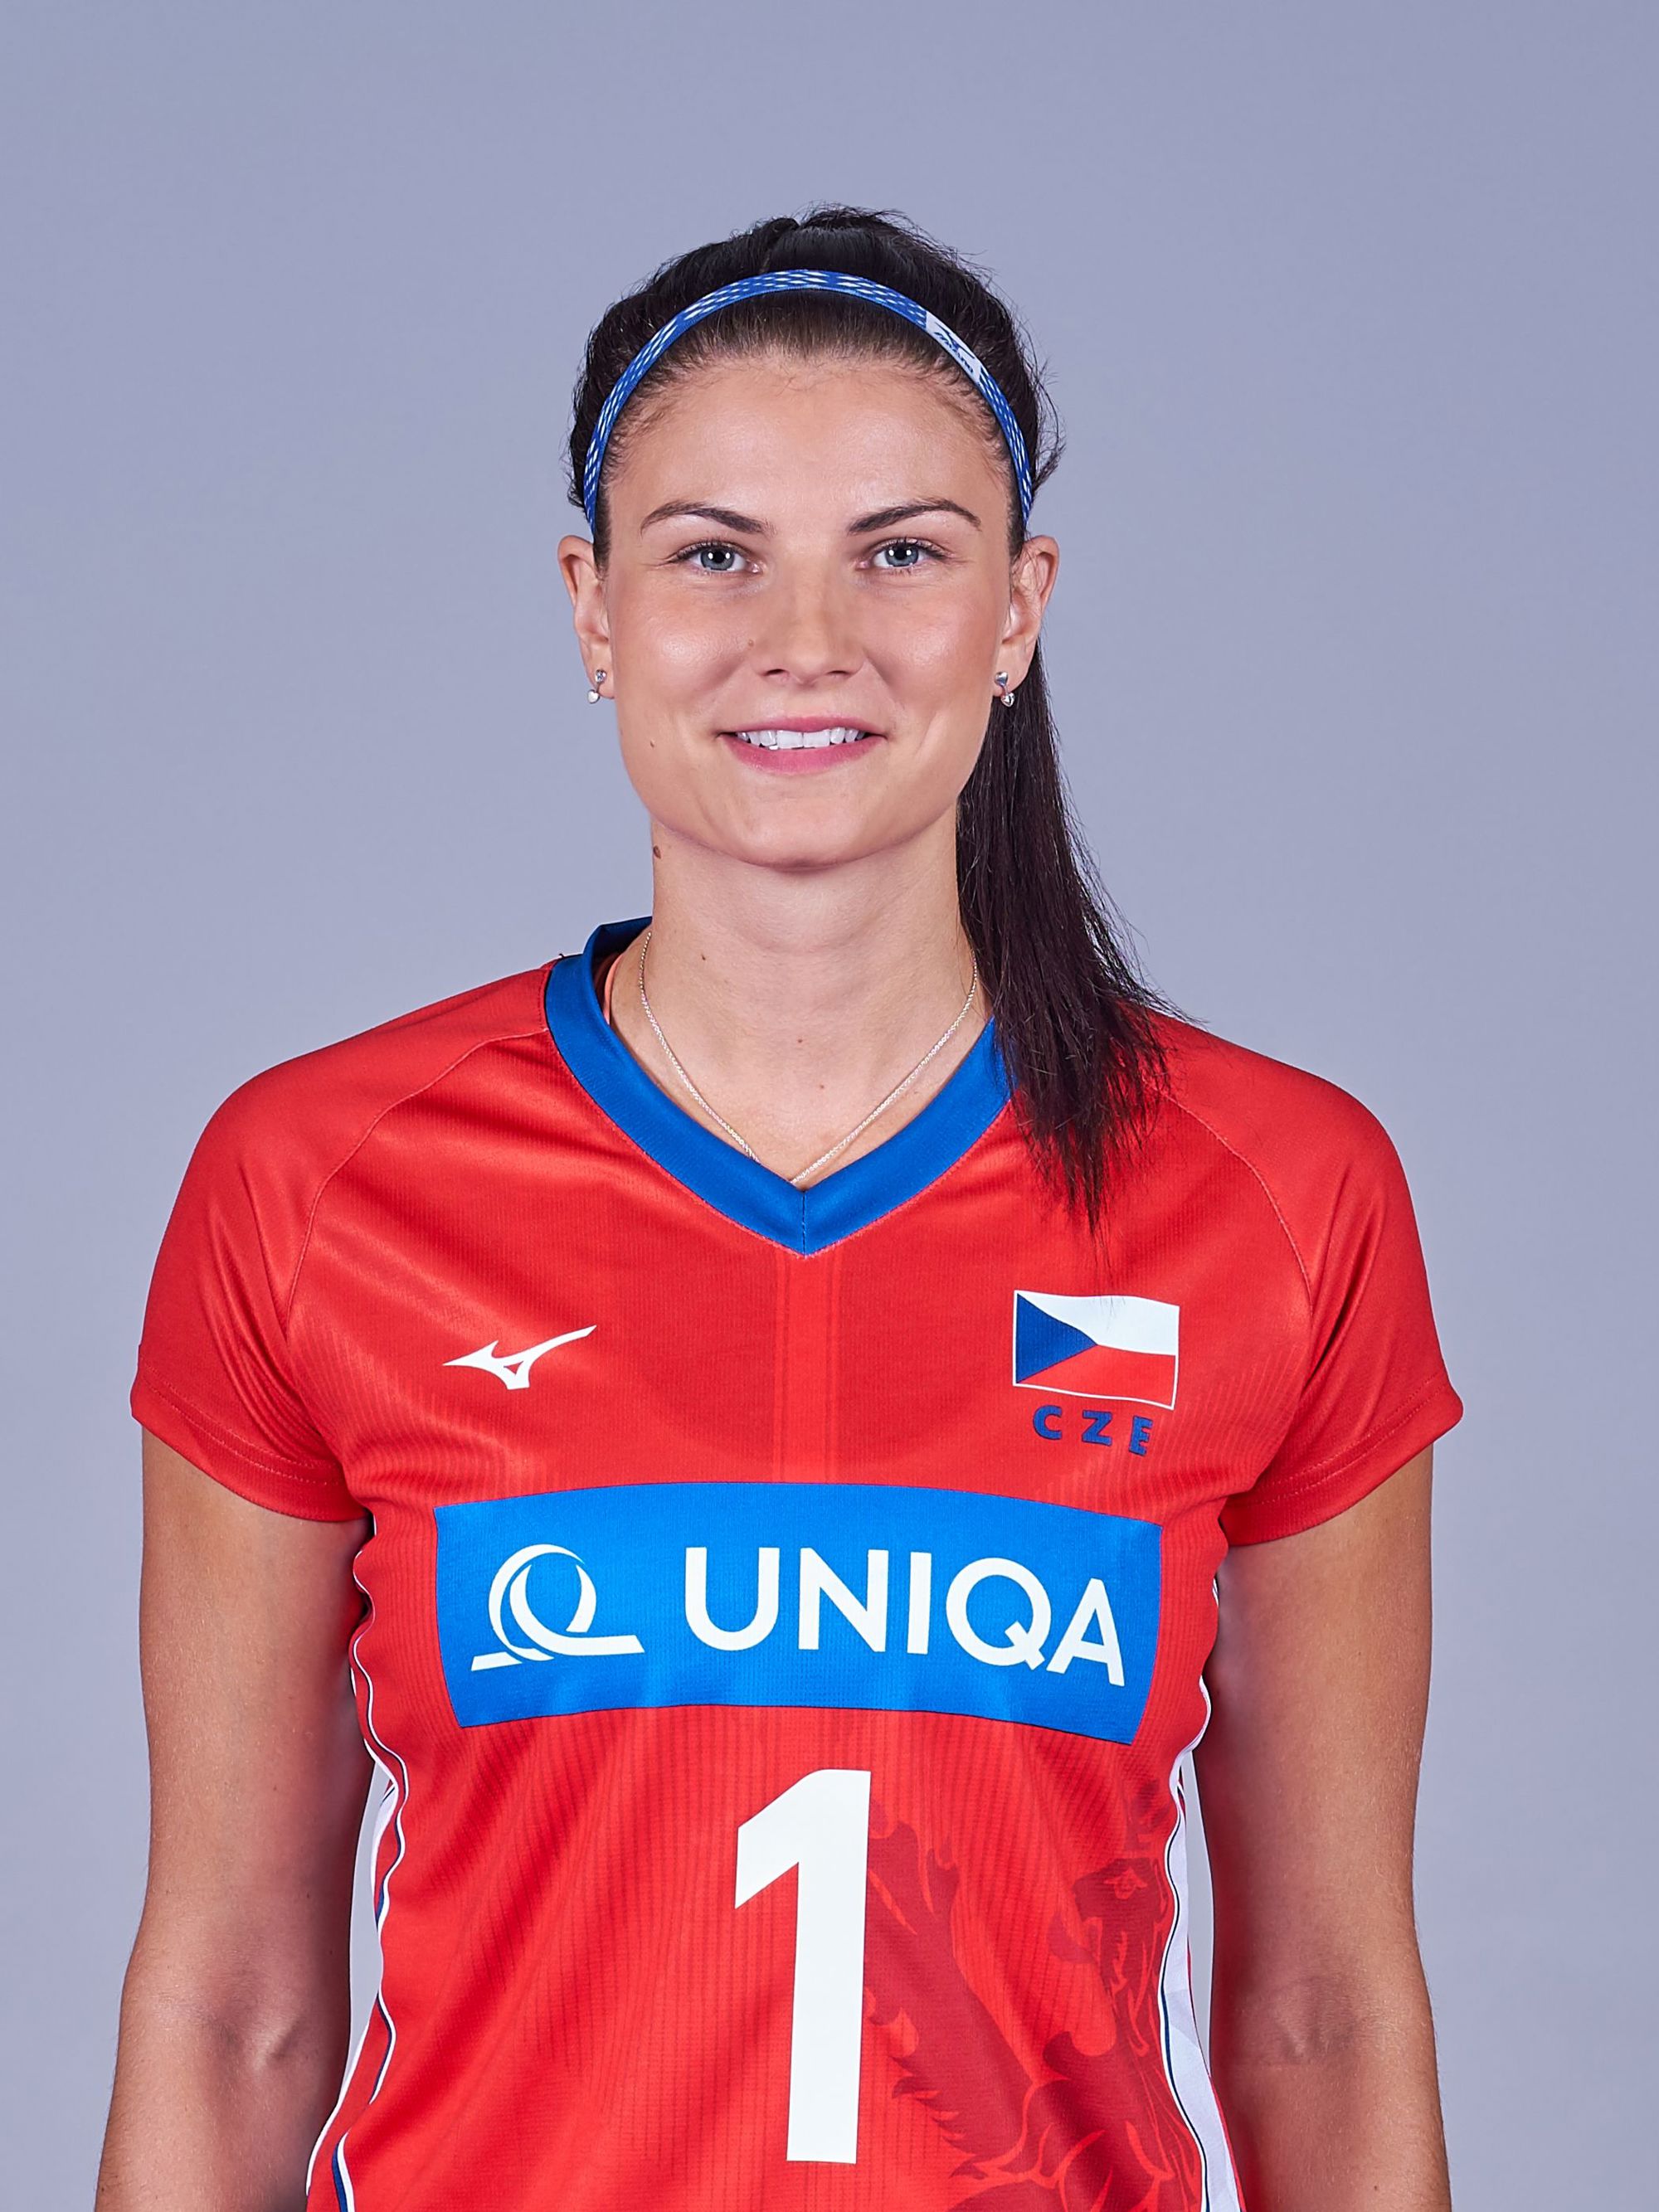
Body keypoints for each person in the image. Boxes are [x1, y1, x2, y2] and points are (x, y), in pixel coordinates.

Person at [97, 207, 1463, 2212]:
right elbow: (233, 2004)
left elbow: (1323, 2012)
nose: (804, 637)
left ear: (1018, 609)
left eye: (901, 552)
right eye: (712, 553)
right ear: (592, 606)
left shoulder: (1272, 1193)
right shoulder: (318, 1181)